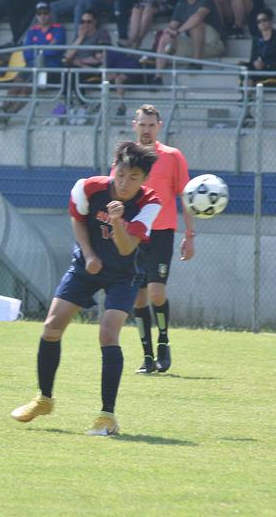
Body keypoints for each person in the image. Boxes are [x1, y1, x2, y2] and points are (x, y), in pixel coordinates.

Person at [10, 140, 160, 435]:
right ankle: (43, 399)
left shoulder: (150, 203)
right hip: (85, 267)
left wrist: (117, 220)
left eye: (134, 178)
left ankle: (107, 416)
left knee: (108, 333)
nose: (125, 183)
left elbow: (127, 247)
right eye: (121, 174)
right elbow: (78, 219)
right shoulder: (88, 187)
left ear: (144, 180)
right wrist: (89, 255)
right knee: (51, 327)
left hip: (124, 274)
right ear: (113, 169)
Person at [124, 105, 193, 374]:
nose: (146, 130)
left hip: (162, 233)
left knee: (156, 292)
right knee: (137, 298)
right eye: (142, 125)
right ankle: (147, 356)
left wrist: (189, 235)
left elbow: (185, 197)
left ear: (159, 126)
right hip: (133, 234)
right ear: (134, 125)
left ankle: (164, 343)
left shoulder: (172, 156)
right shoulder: (126, 156)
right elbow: (117, 193)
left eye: (151, 125)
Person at [0, 1, 65, 114]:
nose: (43, 16)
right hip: (32, 64)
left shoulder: (58, 29)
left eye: (45, 13)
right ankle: (3, 108)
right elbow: (27, 52)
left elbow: (55, 50)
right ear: (36, 16)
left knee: (28, 85)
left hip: (50, 67)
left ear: (50, 14)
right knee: (18, 81)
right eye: (39, 14)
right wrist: (45, 48)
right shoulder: (32, 31)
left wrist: (38, 50)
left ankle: (11, 112)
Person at [152, 0, 224, 80]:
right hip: (195, 44)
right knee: (165, 37)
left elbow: (198, 17)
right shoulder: (181, 6)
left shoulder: (206, 0)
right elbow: (172, 25)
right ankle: (158, 77)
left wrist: (178, 31)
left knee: (196, 25)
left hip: (214, 44)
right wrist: (168, 31)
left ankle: (196, 62)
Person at [246, 8, 276, 85]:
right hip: (258, 70)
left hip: (272, 70)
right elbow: (253, 57)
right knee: (245, 71)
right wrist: (255, 62)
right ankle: (249, 92)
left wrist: (265, 65)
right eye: (258, 21)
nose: (261, 23)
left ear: (270, 21)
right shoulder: (256, 39)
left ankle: (247, 94)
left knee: (250, 77)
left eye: (264, 20)